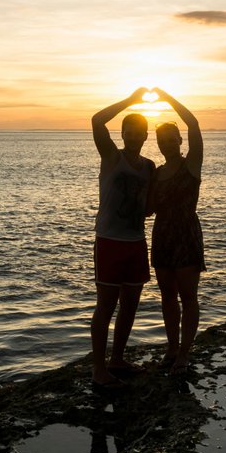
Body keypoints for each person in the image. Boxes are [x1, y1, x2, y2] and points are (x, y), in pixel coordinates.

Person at [90, 88, 156, 388]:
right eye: (129, 132)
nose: (134, 137)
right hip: (109, 242)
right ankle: (98, 369)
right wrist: (131, 101)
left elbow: (150, 206)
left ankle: (117, 359)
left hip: (136, 243)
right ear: (123, 134)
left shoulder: (149, 167)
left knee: (130, 304)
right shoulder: (111, 156)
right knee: (106, 306)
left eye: (139, 132)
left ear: (145, 135)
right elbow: (96, 120)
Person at [147, 88, 205, 375]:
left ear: (180, 140)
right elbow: (147, 208)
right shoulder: (156, 172)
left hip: (185, 234)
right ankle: (171, 348)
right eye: (162, 140)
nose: (167, 144)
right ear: (157, 143)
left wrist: (167, 99)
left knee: (188, 295)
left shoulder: (191, 165)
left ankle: (184, 352)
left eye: (172, 139)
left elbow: (193, 123)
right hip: (162, 236)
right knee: (167, 296)